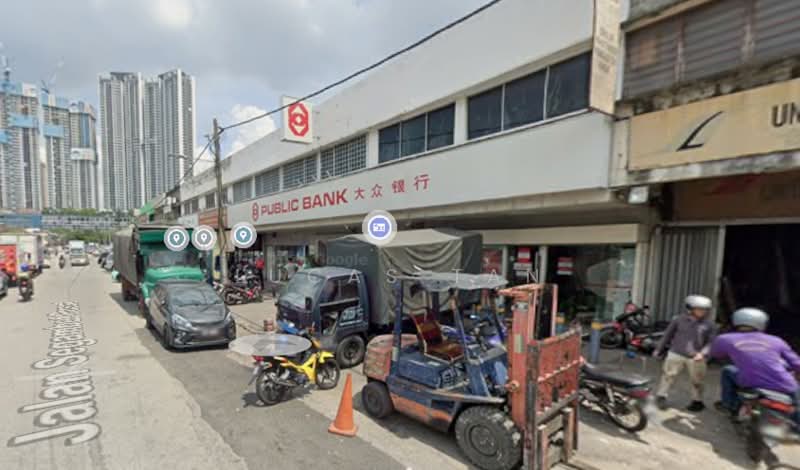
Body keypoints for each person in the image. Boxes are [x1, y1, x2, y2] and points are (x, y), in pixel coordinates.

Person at [710, 308, 800, 428]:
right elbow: (796, 363)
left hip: (749, 382)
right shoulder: (776, 341)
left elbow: (715, 354)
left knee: (727, 370)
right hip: (784, 384)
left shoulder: (725, 339)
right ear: (762, 323)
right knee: (797, 405)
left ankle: (728, 405)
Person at [653, 294, 716, 411]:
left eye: (705, 309)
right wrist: (658, 349)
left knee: (697, 380)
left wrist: (702, 353)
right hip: (676, 353)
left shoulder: (709, 324)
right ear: (690, 309)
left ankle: (697, 401)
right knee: (668, 376)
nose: (702, 312)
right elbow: (667, 335)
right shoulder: (678, 320)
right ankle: (661, 396)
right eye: (699, 309)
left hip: (696, 356)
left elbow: (711, 342)